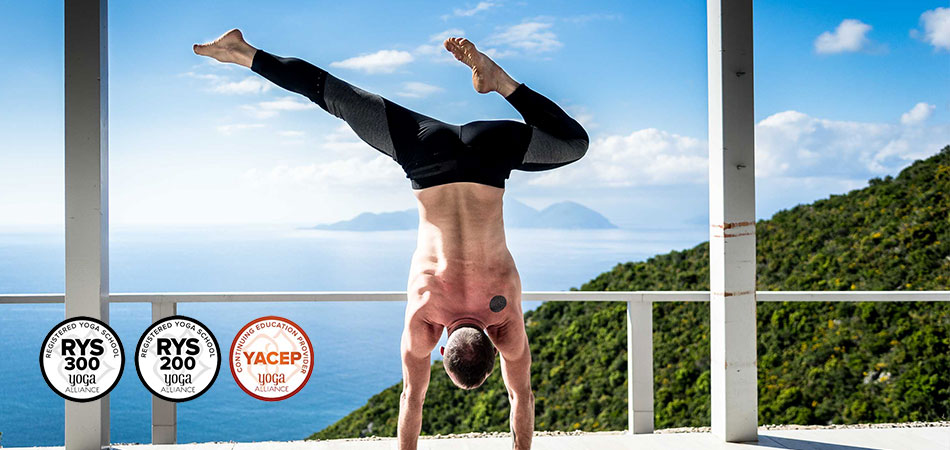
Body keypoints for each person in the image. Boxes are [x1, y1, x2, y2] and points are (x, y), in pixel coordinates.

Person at [194, 29, 588, 450]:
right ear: (441, 353)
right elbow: (411, 400)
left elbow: (520, 397)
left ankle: (501, 81)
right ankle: (243, 52)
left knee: (574, 143)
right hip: (425, 154)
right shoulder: (425, 314)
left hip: (487, 155)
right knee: (336, 96)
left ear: (494, 347)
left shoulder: (505, 319)